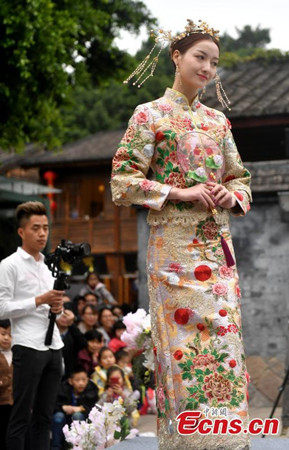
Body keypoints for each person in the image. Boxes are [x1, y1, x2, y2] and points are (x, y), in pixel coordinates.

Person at [111, 19, 252, 450]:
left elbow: (241, 179)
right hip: (173, 254)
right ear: (176, 57)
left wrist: (230, 196)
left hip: (217, 249)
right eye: (200, 57)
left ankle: (228, 441)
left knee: (225, 343)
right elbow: (122, 181)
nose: (208, 68)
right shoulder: (149, 114)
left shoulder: (218, 122)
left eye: (214, 62)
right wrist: (179, 191)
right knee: (183, 349)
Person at [0, 201, 65, 450]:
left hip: (54, 344)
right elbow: (2, 308)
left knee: (44, 418)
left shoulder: (49, 266)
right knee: (20, 417)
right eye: (36, 228)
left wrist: (60, 311)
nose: (42, 233)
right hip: (27, 345)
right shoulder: (9, 265)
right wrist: (40, 300)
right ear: (21, 232)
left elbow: (53, 307)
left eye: (46, 228)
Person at [51, 365, 99, 450]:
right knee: (58, 417)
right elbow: (53, 404)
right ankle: (55, 447)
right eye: (77, 380)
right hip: (64, 416)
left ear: (87, 379)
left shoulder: (92, 388)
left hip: (82, 418)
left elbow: (94, 406)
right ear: (70, 381)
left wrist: (81, 408)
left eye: (84, 380)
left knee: (77, 415)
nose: (81, 383)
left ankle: (78, 446)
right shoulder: (62, 388)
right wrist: (63, 407)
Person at [56, 305, 87, 380]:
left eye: (67, 316)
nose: (64, 318)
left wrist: (71, 324)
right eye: (61, 315)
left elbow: (83, 344)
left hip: (69, 375)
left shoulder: (74, 334)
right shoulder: (51, 332)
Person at [0, 320, 13, 450]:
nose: (6, 337)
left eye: (10, 334)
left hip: (14, 402)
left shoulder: (18, 355)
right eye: (3, 333)